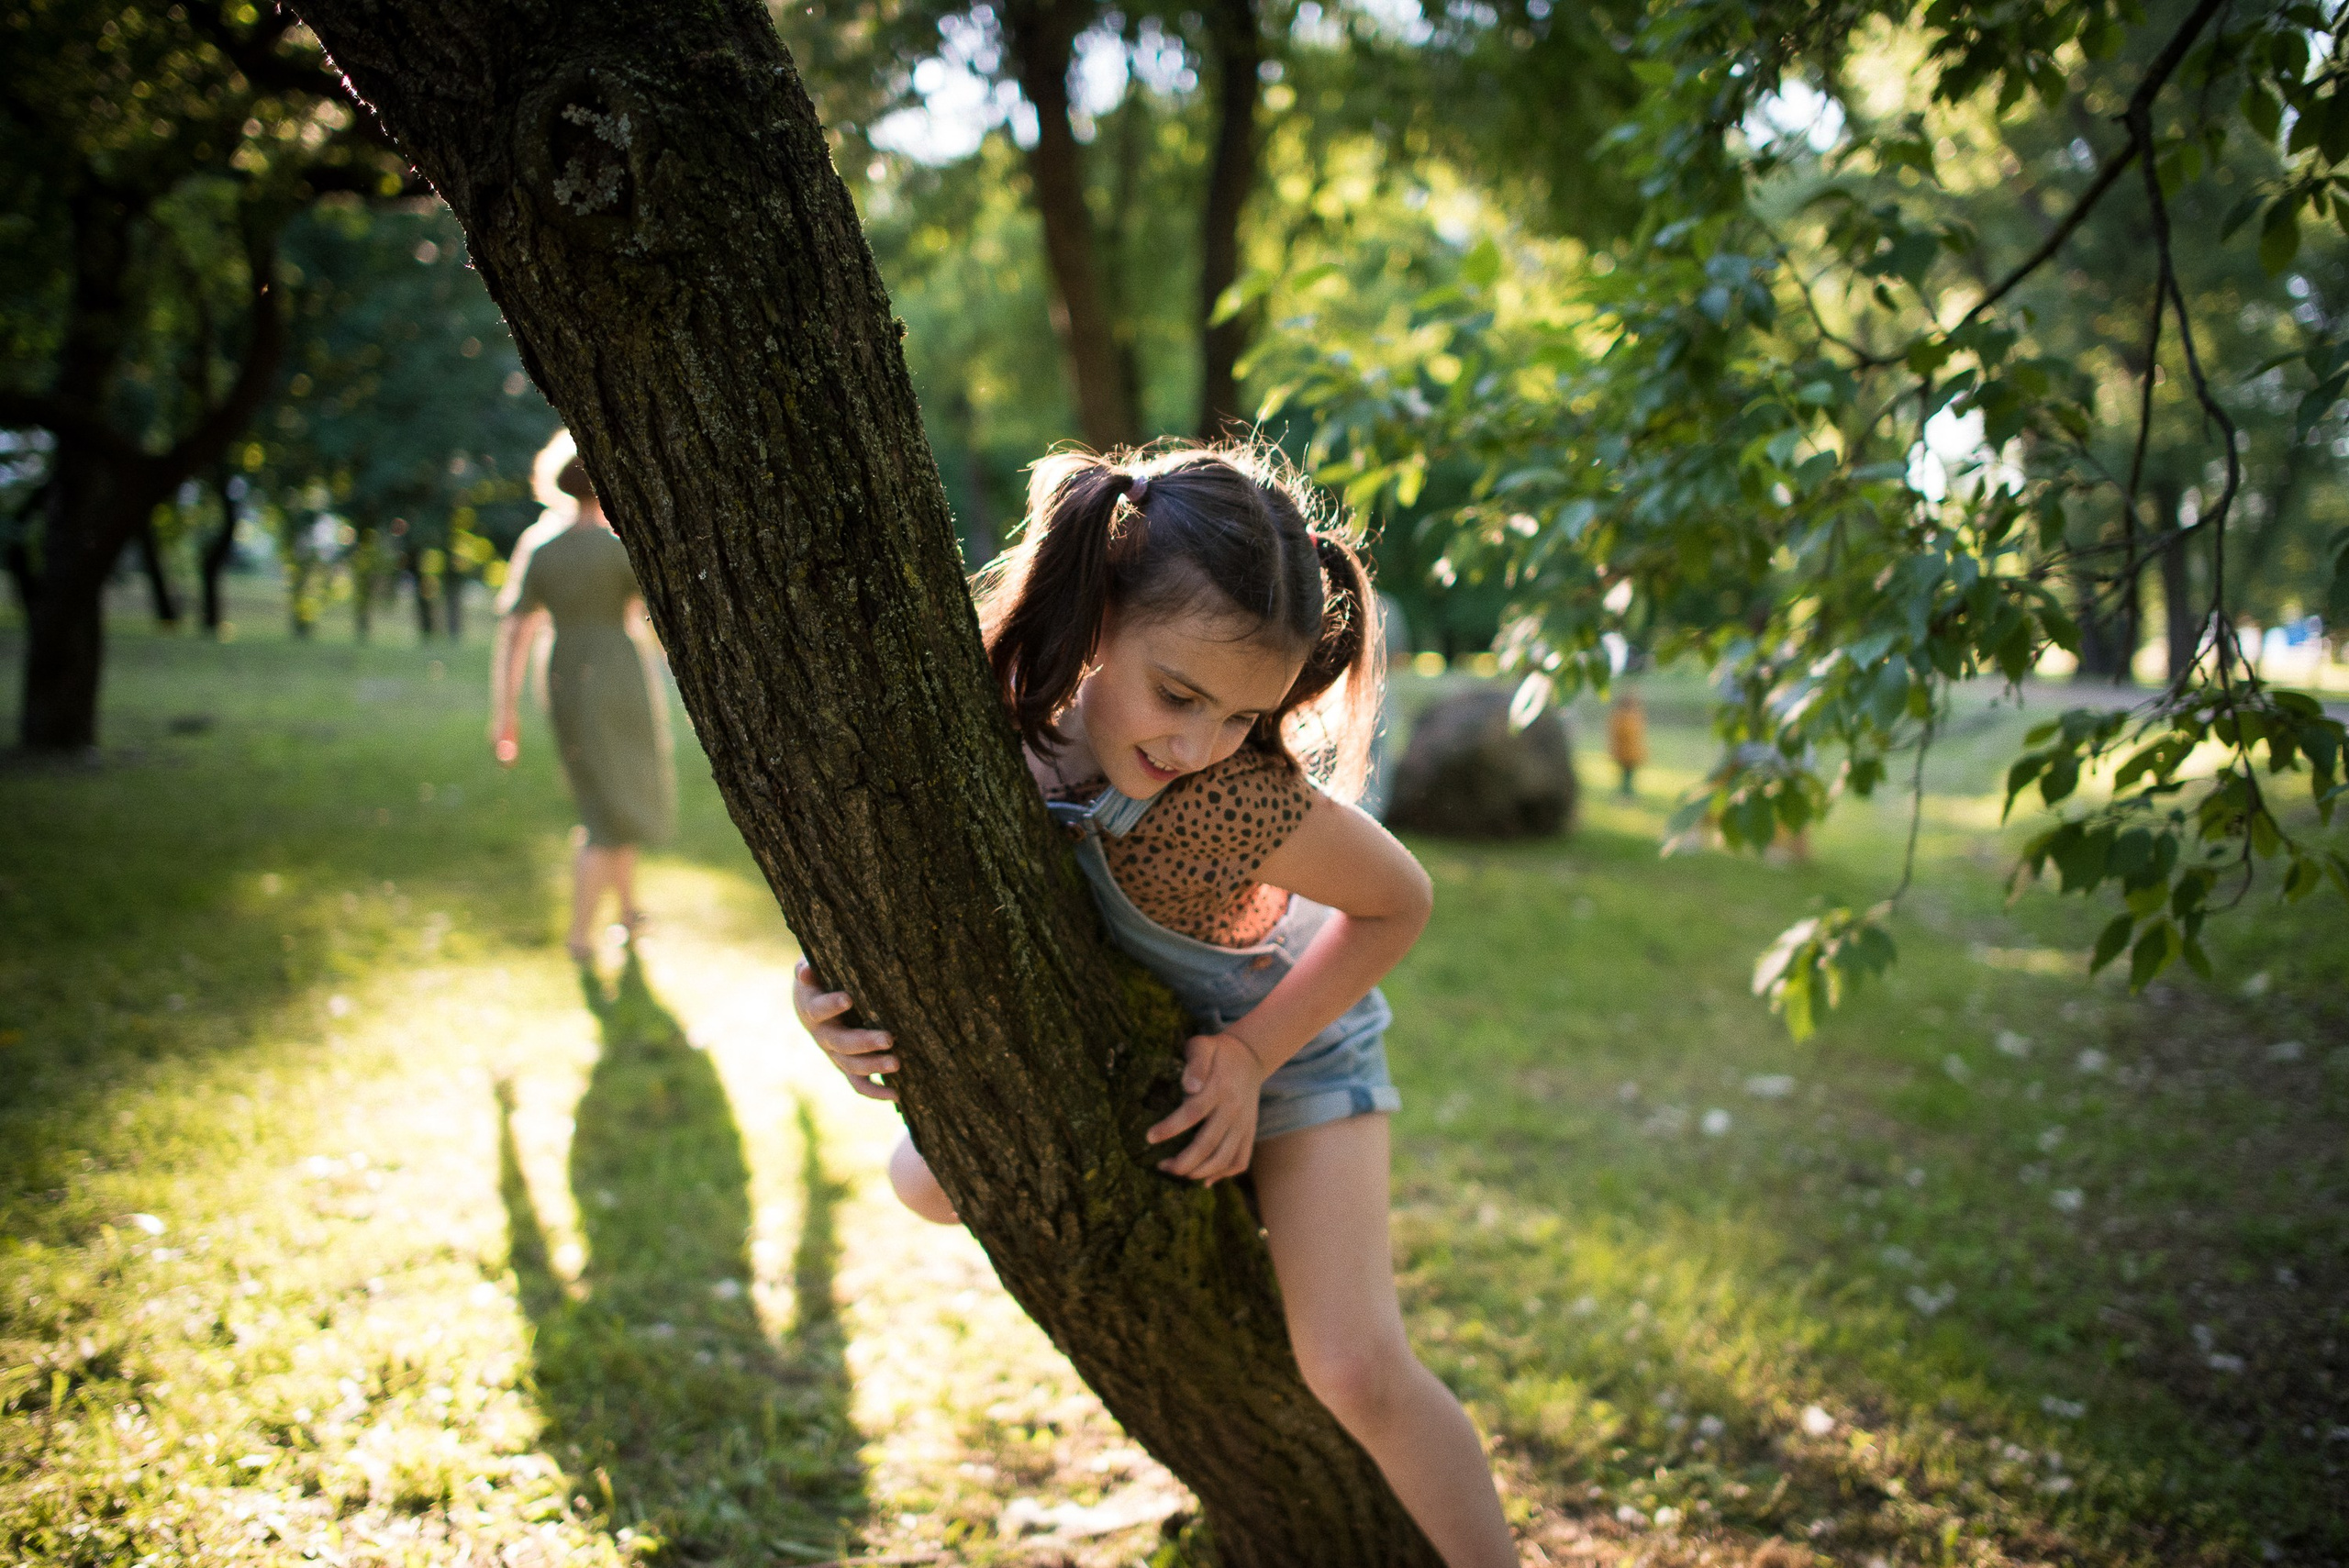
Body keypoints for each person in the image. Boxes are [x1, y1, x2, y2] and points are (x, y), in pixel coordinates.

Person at [792, 444, 1516, 1567]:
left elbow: (1397, 903)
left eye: (1240, 716)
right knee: (923, 1182)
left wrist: (1252, 1054)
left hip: (1293, 1043)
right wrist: (819, 994)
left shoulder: (1223, 799)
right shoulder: (987, 735)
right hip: (1154, 1048)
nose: (1196, 744)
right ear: (1095, 614)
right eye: (1178, 693)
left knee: (1352, 1364)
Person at [492, 430, 674, 964]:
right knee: (606, 805)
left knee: (610, 790)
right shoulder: (620, 547)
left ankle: (628, 913)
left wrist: (505, 713)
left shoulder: (541, 548)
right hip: (617, 673)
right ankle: (579, 936)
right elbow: (658, 620)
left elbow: (514, 634)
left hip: (566, 675)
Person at [1608, 685, 1649, 797]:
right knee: (1626, 776)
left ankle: (1627, 794)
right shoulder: (1623, 716)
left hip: (1631, 752)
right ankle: (1626, 794)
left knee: (1628, 776)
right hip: (1625, 752)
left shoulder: (1631, 715)